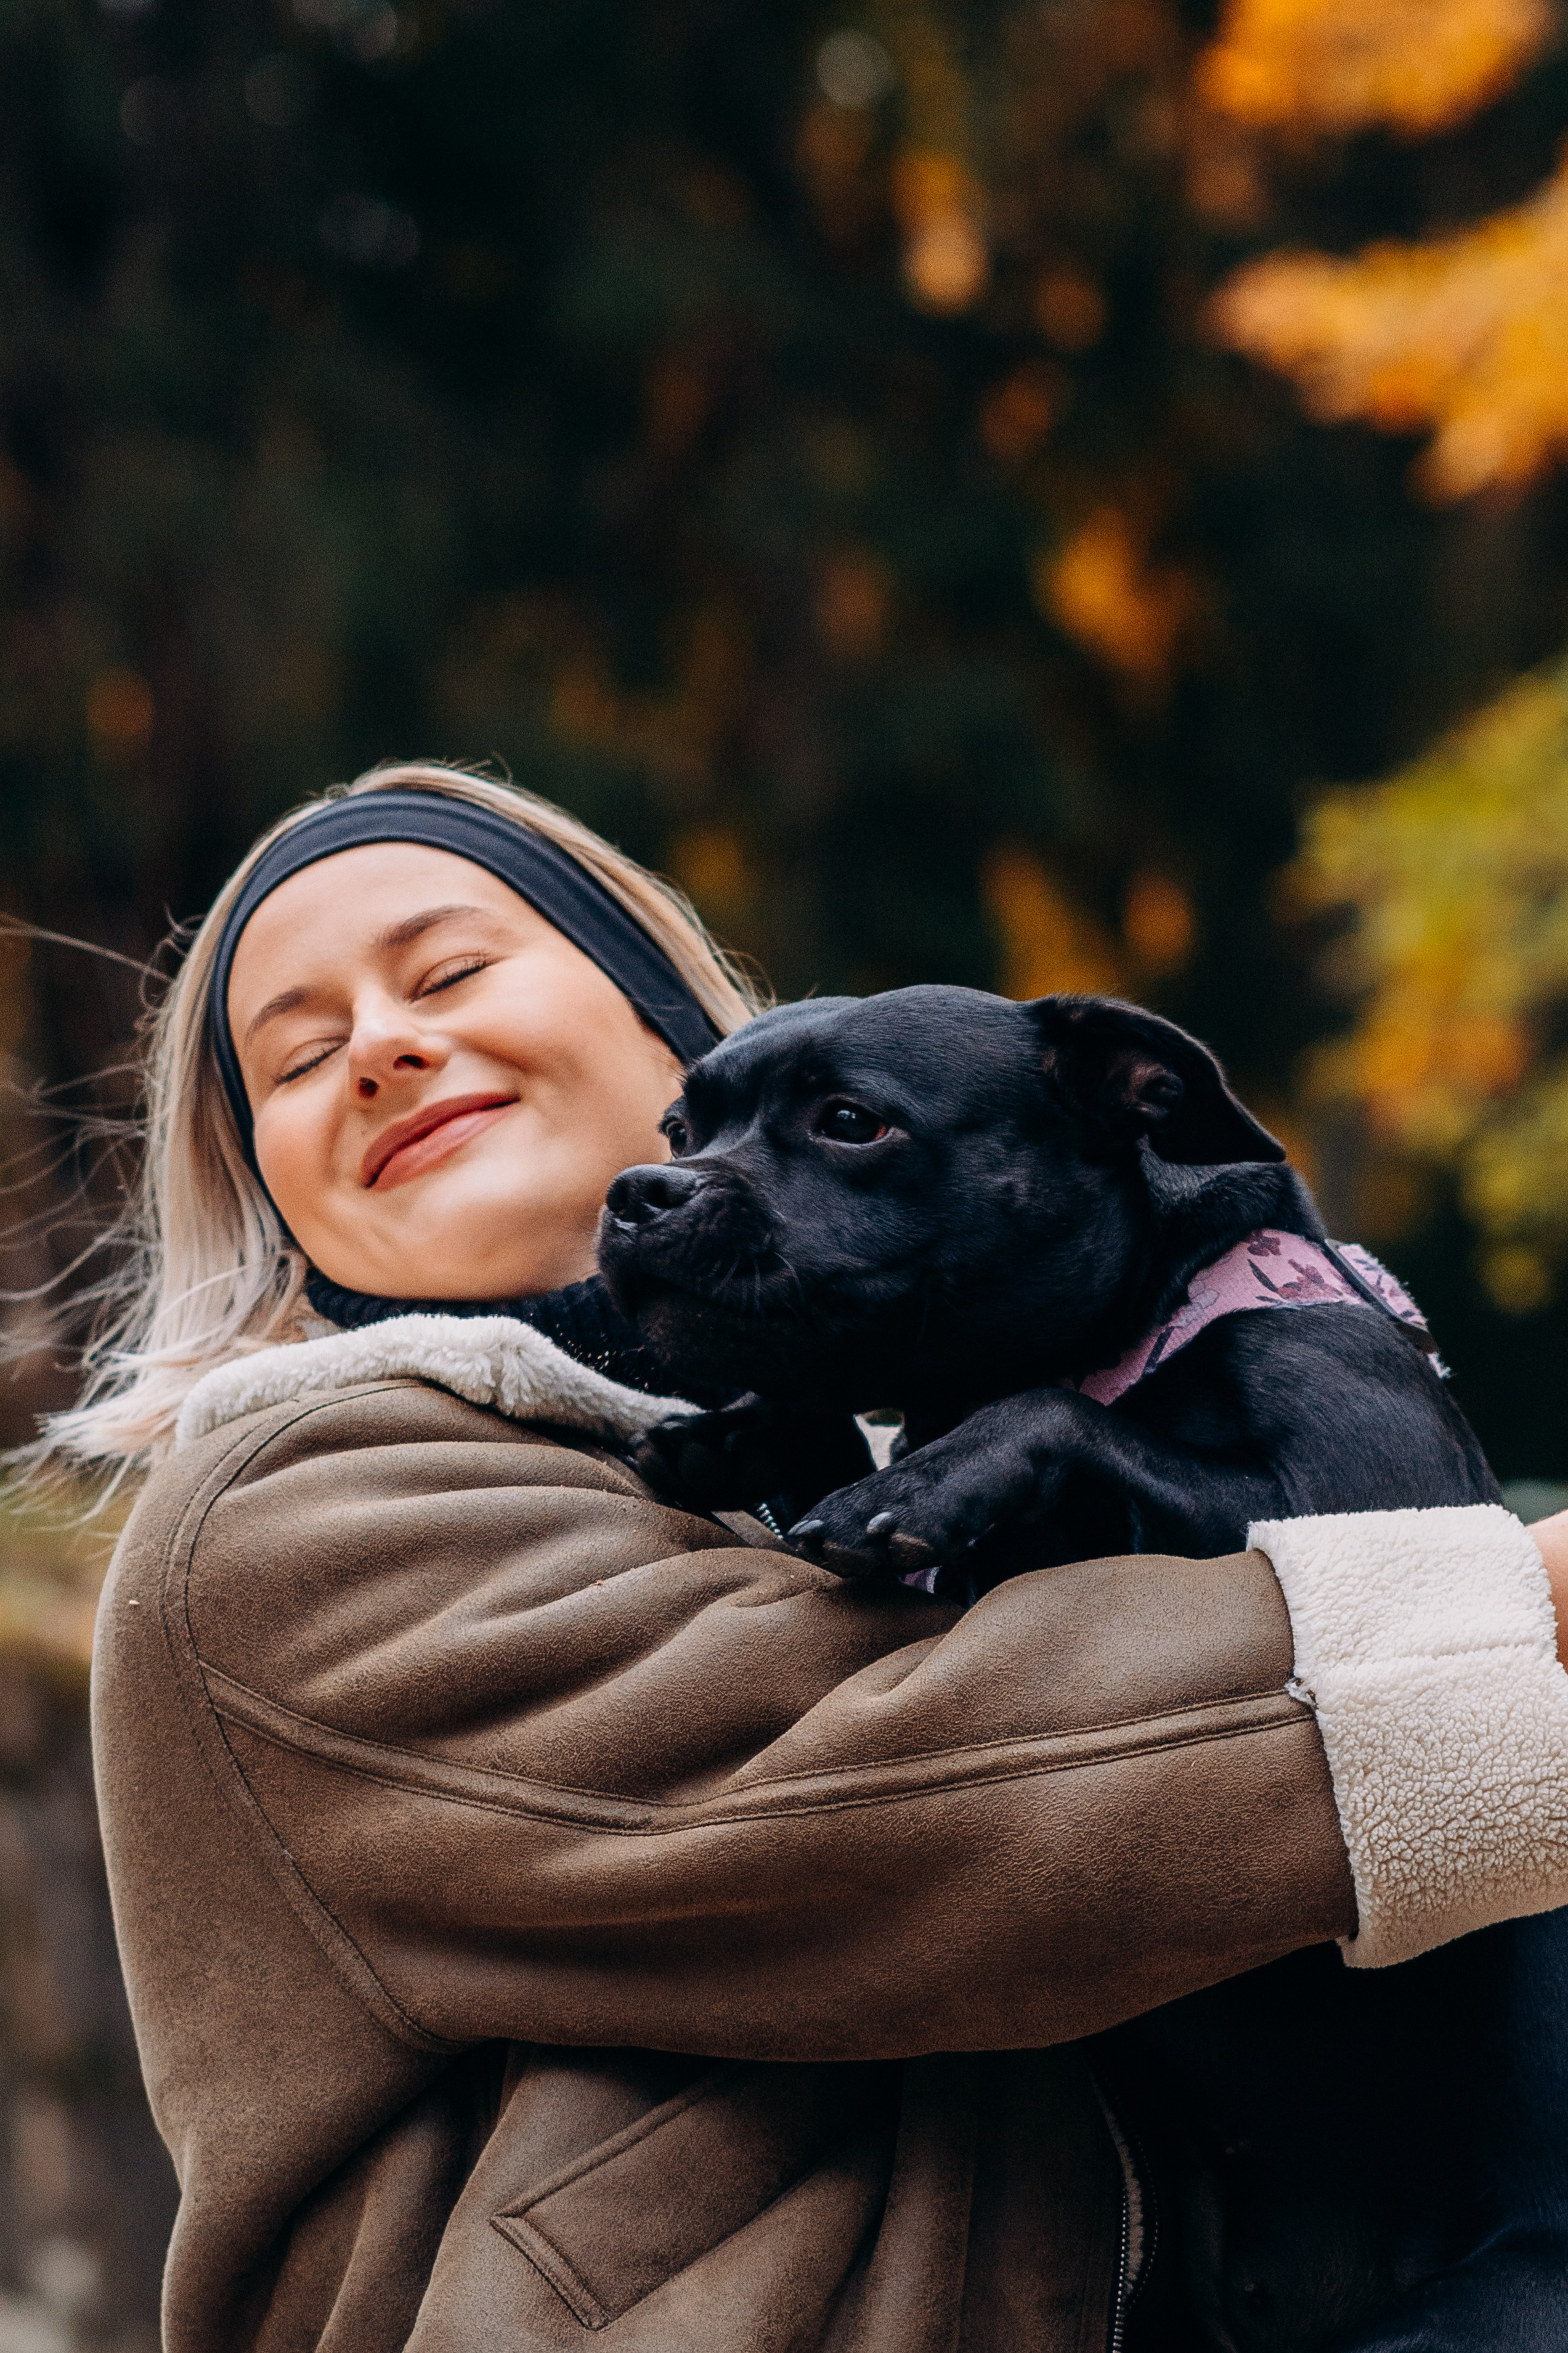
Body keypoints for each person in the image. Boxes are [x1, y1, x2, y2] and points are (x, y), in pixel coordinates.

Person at [75, 761, 1568, 2352]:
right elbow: (901, 1788)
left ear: (671, 1033)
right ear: (275, 1205)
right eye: (298, 1059)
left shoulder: (827, 1441)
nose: (382, 1046)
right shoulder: (297, 1504)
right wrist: (1519, 1611)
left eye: (446, 971)